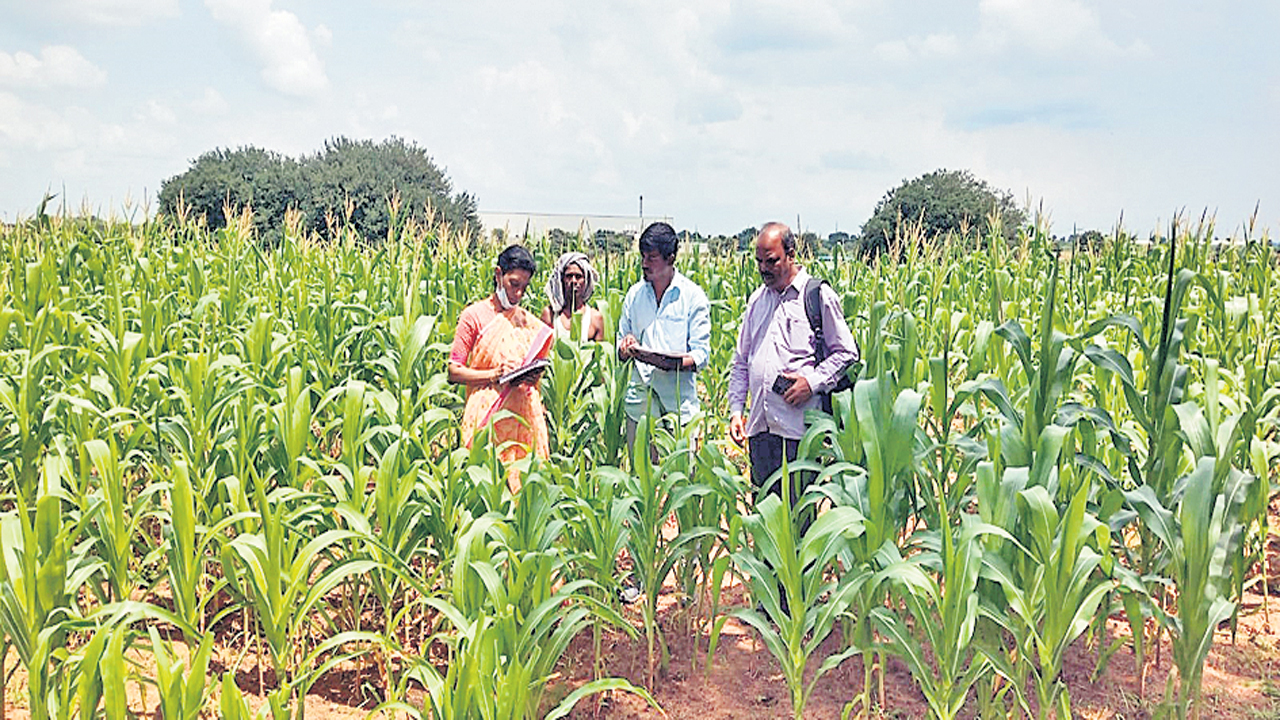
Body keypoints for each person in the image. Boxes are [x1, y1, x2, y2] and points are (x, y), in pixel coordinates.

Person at [728, 222, 859, 500]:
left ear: (790, 253)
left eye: (772, 261)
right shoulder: (757, 301)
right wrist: (736, 410)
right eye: (759, 262)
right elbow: (741, 361)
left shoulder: (816, 296)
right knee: (764, 512)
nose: (764, 268)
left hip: (799, 432)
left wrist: (810, 384)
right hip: (761, 429)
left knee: (800, 518)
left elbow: (847, 352)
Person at [449, 244, 553, 486]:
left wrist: (531, 375)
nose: (517, 294)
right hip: (487, 414)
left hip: (523, 415)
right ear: (498, 274)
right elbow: (454, 370)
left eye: (523, 288)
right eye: (513, 284)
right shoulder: (474, 316)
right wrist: (494, 375)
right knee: (487, 486)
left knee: (525, 487)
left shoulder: (525, 321)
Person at [617, 222, 711, 454]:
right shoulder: (634, 295)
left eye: (652, 257)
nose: (644, 264)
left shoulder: (692, 297)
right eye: (643, 257)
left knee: (679, 481)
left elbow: (701, 354)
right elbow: (620, 345)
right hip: (640, 405)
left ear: (670, 258)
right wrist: (626, 345)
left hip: (678, 409)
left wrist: (673, 364)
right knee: (641, 479)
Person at [540, 251, 605, 341]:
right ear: (561, 280)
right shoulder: (550, 315)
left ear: (586, 281)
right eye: (569, 276)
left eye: (578, 276)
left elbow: (600, 353)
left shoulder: (595, 318)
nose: (573, 281)